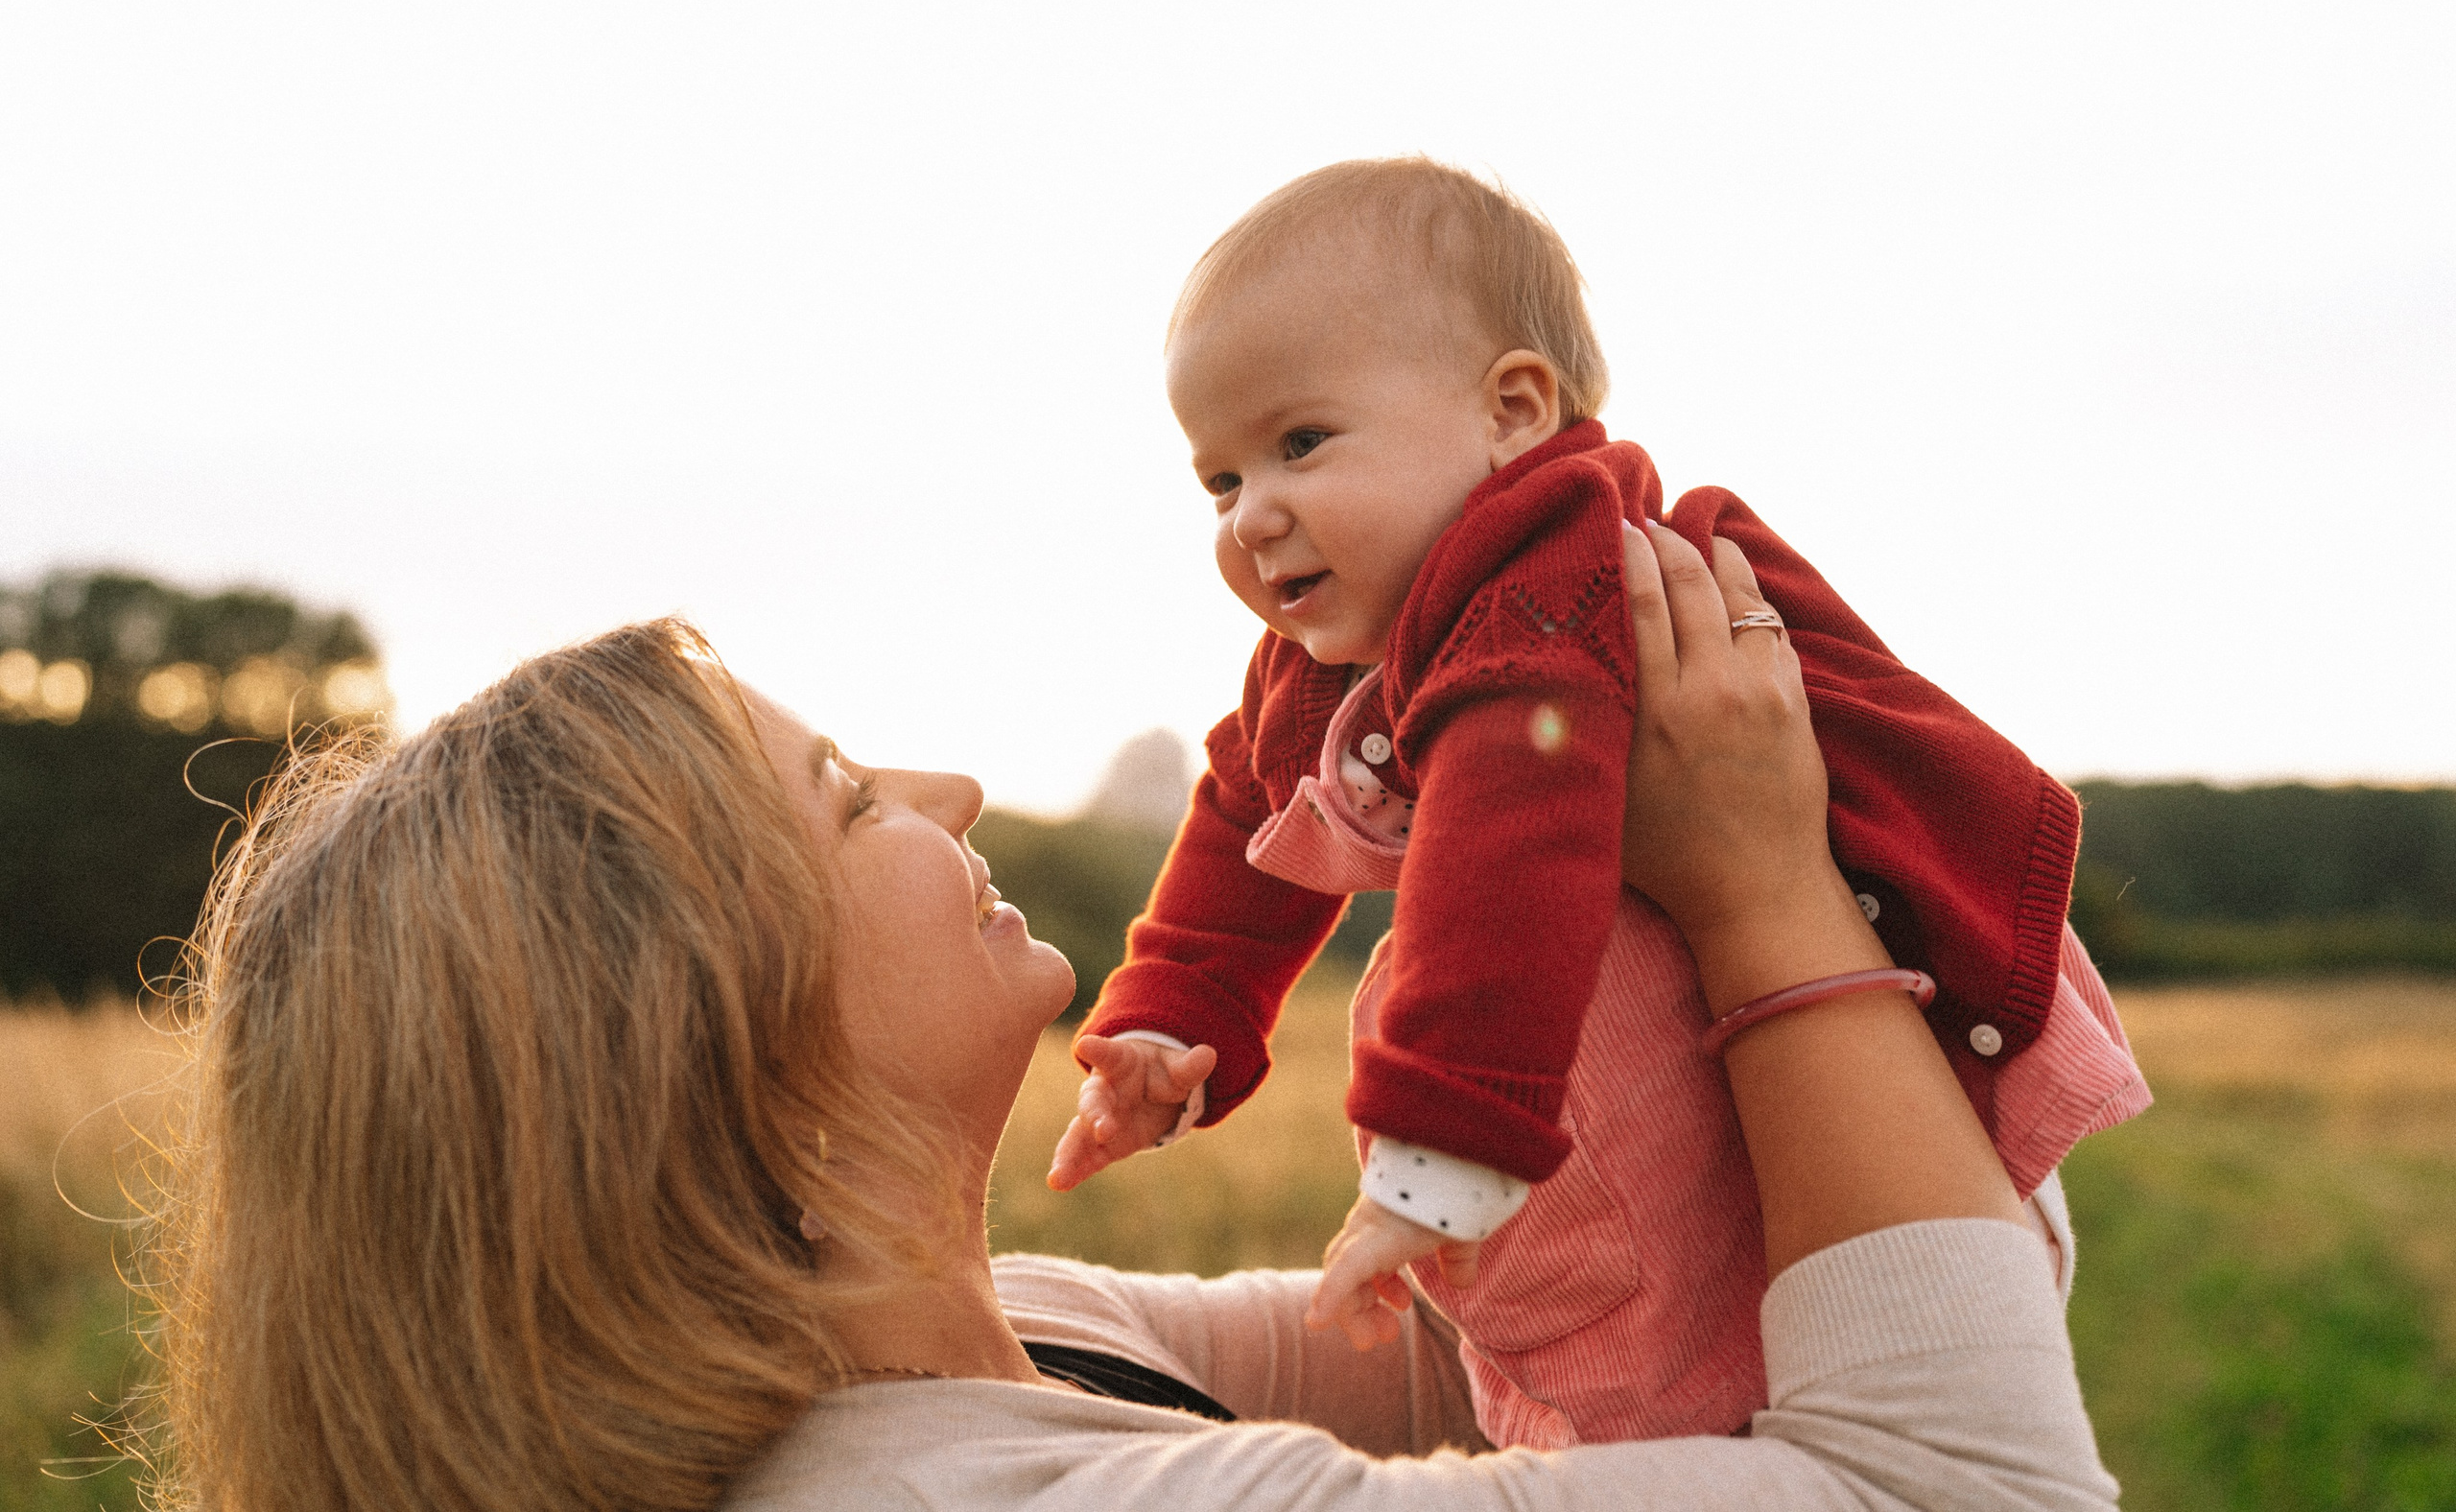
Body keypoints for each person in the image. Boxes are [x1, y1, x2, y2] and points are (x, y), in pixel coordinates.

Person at [138, 524, 2118, 1512]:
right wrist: (1764, 880)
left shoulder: (1025, 1339)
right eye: (844, 797)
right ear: (707, 1030)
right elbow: (1955, 1485)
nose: (944, 793)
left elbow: (1567, 1373)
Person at [1052, 157, 2150, 1446]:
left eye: (1299, 444)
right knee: (1680, 1355)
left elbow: (1503, 877)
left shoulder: (1552, 582)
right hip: (1676, 1074)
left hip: (1853, 1062)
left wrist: (1431, 1170)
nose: (1254, 517)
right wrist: (1172, 1016)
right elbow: (1245, 809)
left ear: (1514, 411)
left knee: (1754, 1379)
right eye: (1220, 480)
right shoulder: (1346, 651)